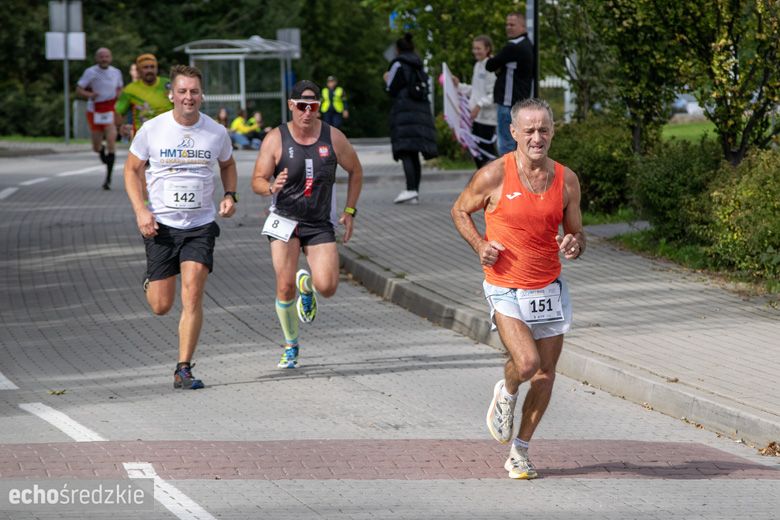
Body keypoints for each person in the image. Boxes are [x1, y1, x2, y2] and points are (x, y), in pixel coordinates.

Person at [450, 98, 585, 479]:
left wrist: (574, 243)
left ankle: (520, 452)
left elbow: (576, 231)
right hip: (505, 286)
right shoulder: (494, 175)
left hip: (549, 289)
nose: (537, 137)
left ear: (553, 130)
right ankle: (506, 391)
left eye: (544, 129)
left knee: (546, 374)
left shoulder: (566, 179)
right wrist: (480, 246)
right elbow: (459, 210)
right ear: (514, 133)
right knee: (526, 364)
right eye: (529, 130)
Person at [123, 64, 238, 390]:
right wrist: (140, 210)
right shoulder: (152, 129)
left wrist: (230, 194)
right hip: (160, 225)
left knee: (193, 293)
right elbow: (131, 171)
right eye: (183, 91)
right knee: (162, 305)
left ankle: (183, 368)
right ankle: (152, 280)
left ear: (202, 95)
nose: (189, 97)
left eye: (194, 91)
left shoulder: (216, 131)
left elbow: (228, 164)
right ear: (171, 94)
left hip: (200, 225)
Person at [251, 80, 363, 369]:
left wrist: (350, 210)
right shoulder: (276, 138)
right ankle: (291, 346)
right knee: (284, 285)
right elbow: (257, 181)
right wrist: (270, 186)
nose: (307, 112)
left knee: (327, 287)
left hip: (318, 221)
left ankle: (308, 286)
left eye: (313, 106)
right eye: (302, 106)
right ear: (291, 106)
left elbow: (356, 170)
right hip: (284, 220)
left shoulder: (333, 137)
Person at [384, 33, 438, 205]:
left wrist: (386, 80)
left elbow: (391, 89)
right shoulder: (418, 65)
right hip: (420, 113)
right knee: (414, 154)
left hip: (404, 112)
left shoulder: (398, 64)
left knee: (406, 151)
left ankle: (410, 190)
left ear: (398, 49)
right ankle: (414, 191)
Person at [486, 11, 535, 156]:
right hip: (521, 104)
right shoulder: (527, 45)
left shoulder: (513, 47)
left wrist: (498, 64)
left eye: (512, 24)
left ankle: (509, 178)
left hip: (508, 105)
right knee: (518, 148)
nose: (508, 27)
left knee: (506, 147)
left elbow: (490, 65)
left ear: (523, 27)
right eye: (507, 24)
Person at [75, 47, 123, 190]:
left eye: (106, 56)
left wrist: (120, 97)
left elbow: (120, 88)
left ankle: (108, 179)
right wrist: (89, 95)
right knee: (96, 147)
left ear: (111, 58)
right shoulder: (91, 72)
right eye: (101, 57)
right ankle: (101, 152)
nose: (104, 59)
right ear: (97, 58)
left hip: (110, 109)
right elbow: (79, 89)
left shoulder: (116, 72)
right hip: (95, 110)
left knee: (111, 141)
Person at [456, 35, 498, 168]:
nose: (475, 51)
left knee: (487, 152)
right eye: (474, 48)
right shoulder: (477, 65)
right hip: (476, 118)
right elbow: (475, 91)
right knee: (477, 152)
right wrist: (458, 86)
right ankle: (483, 183)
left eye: (479, 48)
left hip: (488, 119)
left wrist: (479, 106)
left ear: (488, 49)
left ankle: (493, 183)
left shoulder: (491, 66)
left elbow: (494, 94)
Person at [115, 53, 173, 139]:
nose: (149, 70)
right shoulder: (130, 89)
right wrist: (120, 127)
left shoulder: (168, 84)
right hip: (143, 138)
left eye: (152, 67)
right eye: (145, 67)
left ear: (156, 69)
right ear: (138, 70)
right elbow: (118, 111)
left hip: (168, 134)